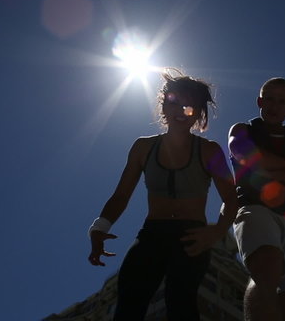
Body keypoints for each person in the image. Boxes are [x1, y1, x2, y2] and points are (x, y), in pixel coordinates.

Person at [88, 68, 238, 321]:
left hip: (192, 236)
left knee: (181, 303)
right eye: (175, 103)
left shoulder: (209, 151)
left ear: (199, 114)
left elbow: (233, 199)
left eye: (190, 107)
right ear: (163, 105)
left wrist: (217, 231)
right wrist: (100, 226)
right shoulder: (143, 147)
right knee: (128, 303)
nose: (181, 111)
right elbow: (121, 195)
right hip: (152, 234)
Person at [228, 77, 285, 321]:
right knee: (267, 267)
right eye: (269, 98)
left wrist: (269, 172)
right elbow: (246, 154)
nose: (274, 105)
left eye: (282, 101)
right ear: (260, 101)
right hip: (254, 206)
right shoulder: (243, 129)